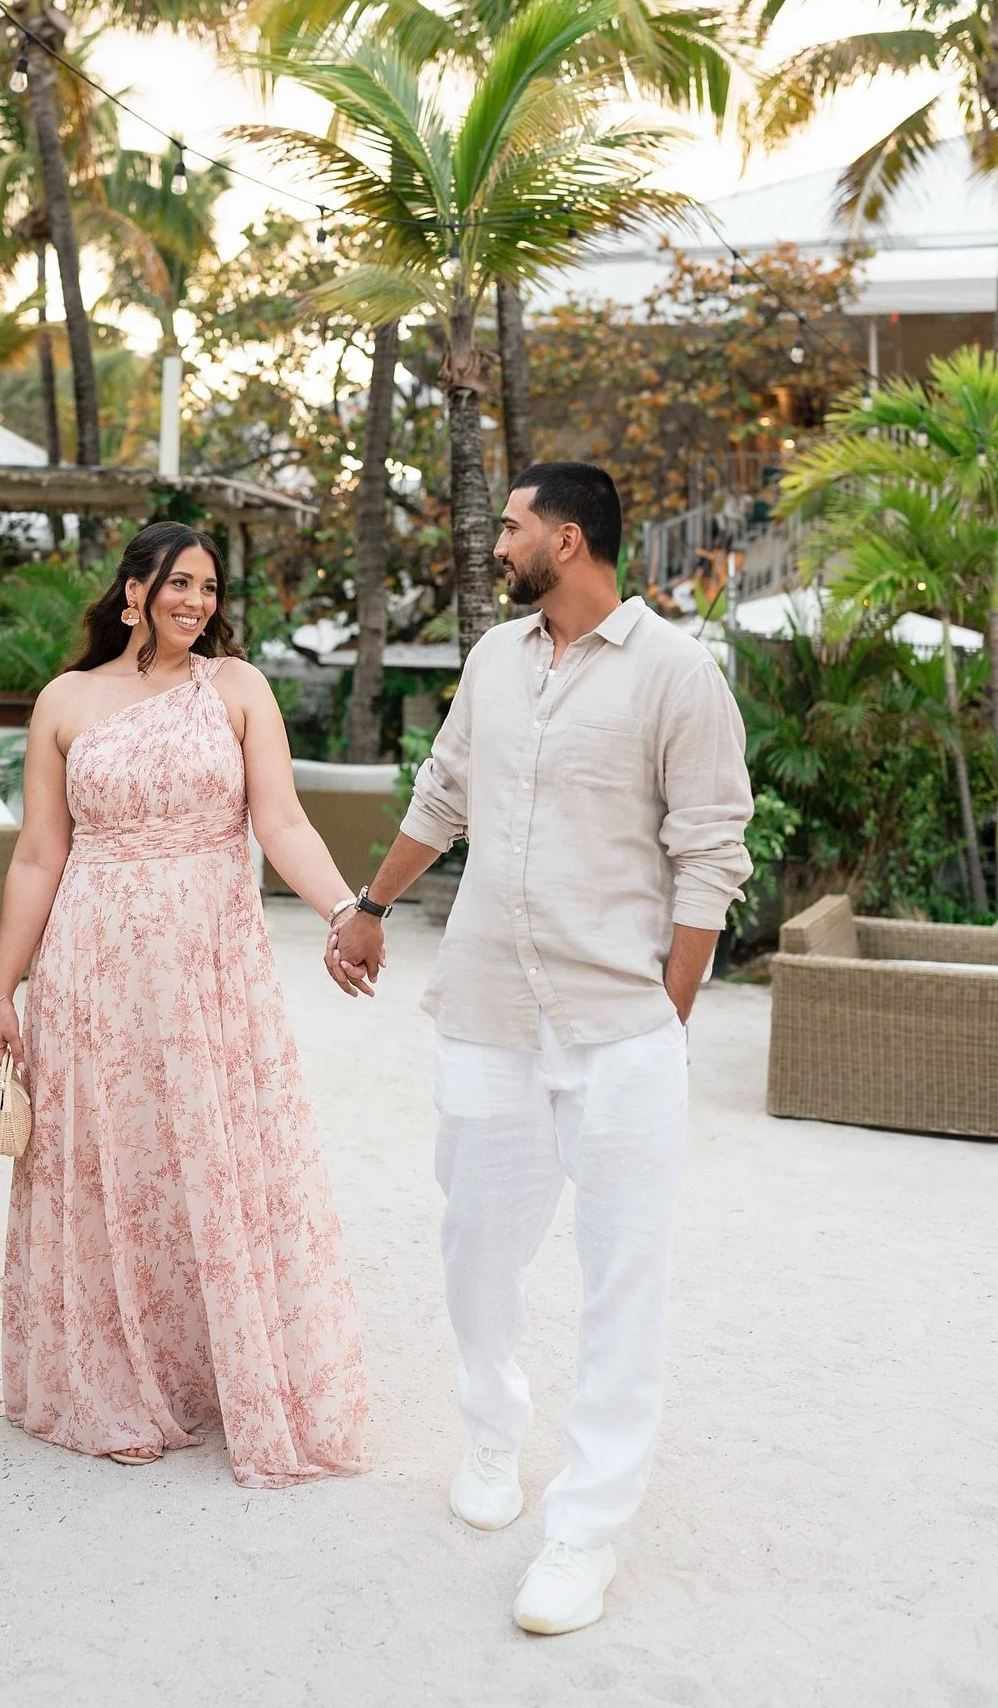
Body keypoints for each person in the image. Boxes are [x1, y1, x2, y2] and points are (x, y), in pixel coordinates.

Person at [328, 463, 752, 1634]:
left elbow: (713, 848)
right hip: (487, 1013)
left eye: (512, 525)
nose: (496, 540)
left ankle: (587, 1527)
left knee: (624, 1285)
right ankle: (492, 1430)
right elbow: (445, 788)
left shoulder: (676, 671)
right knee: (476, 1246)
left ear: (566, 540)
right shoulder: (493, 661)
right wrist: (369, 901)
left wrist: (667, 1008)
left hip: (619, 1029)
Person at [0, 522, 369, 1490]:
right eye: (178, 583)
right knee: (111, 1162)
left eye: (208, 586)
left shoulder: (236, 689)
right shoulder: (65, 702)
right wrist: (4, 985)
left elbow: (279, 817)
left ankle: (216, 1370)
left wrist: (342, 908)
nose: (196, 601)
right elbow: (40, 851)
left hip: (208, 966)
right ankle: (114, 1376)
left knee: (206, 1152)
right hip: (92, 967)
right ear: (132, 592)